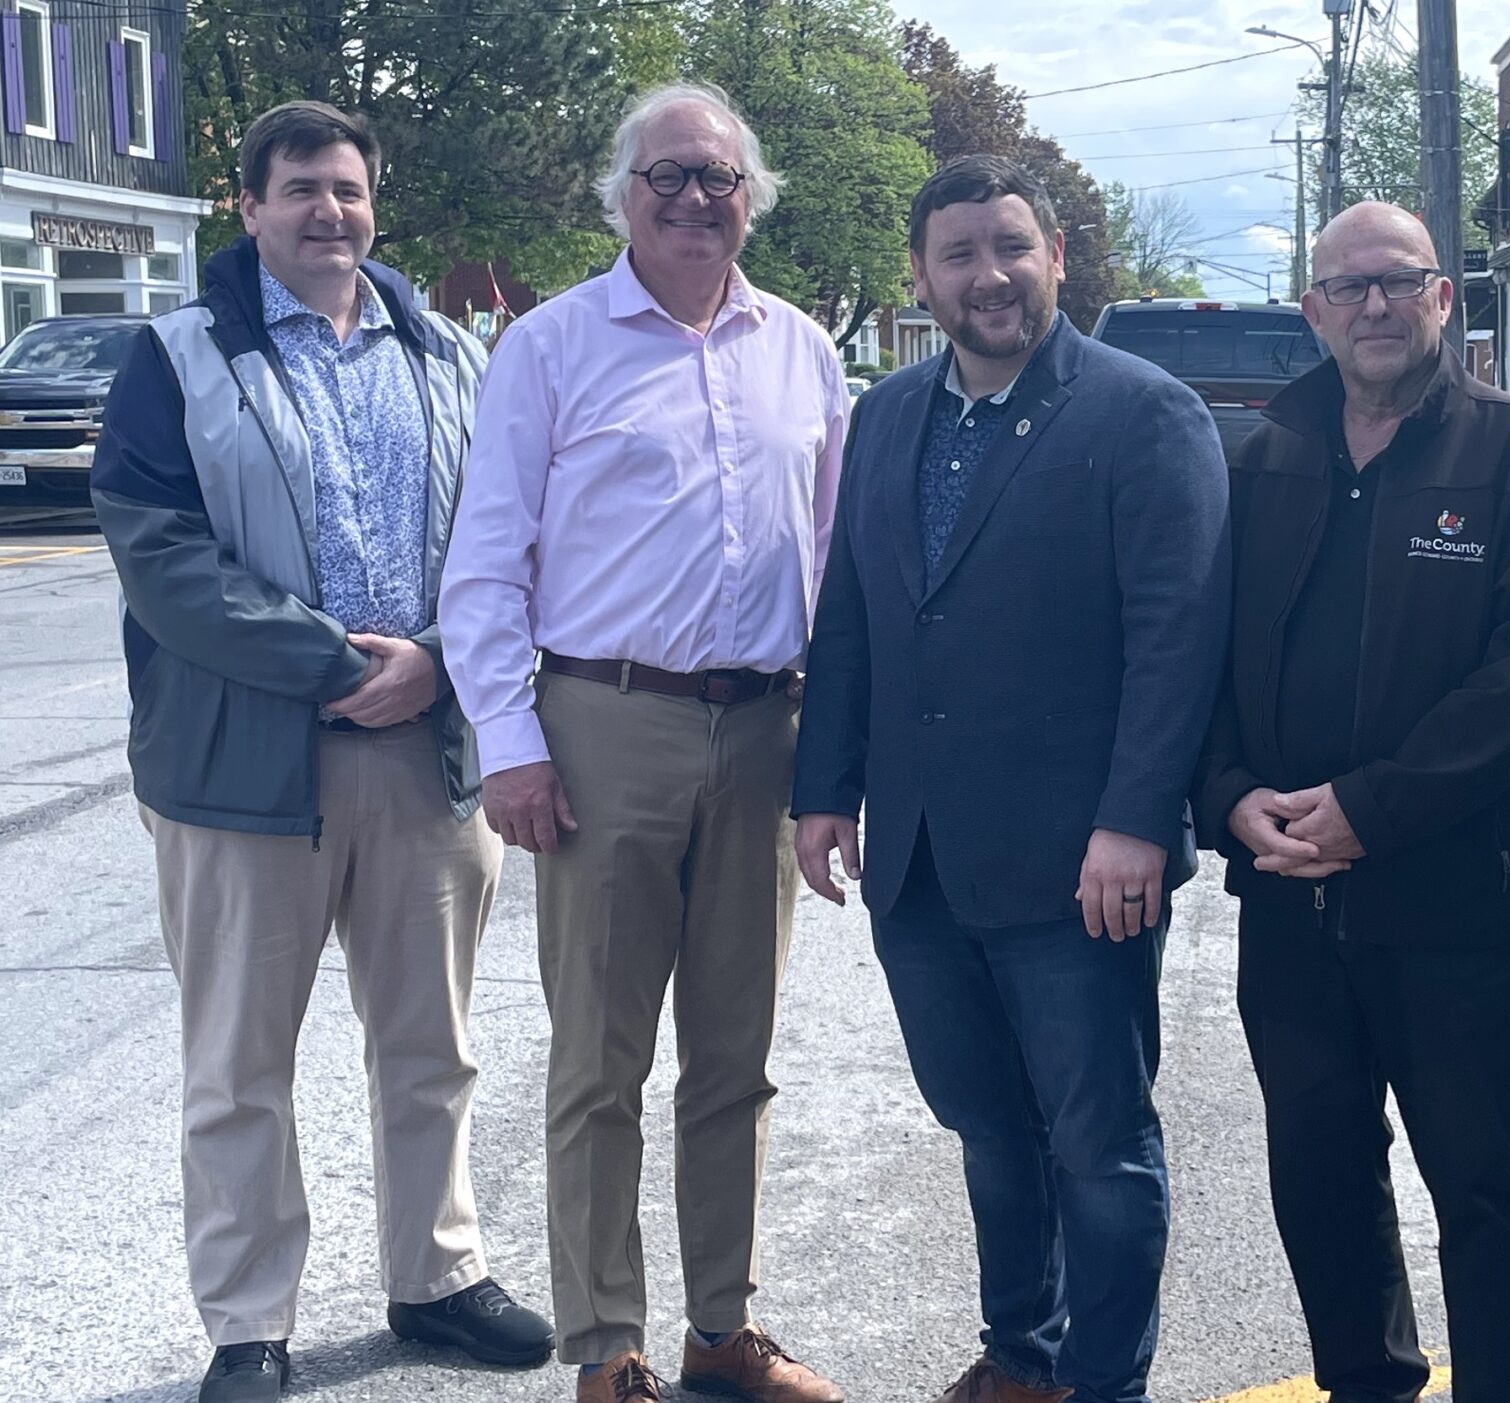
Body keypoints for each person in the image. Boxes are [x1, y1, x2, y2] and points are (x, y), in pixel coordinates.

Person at [89, 99, 553, 1403]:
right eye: (298, 188)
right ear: (250, 208)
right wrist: (342, 667)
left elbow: (513, 542)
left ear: (374, 203)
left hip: (425, 753)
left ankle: (438, 1271)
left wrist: (441, 665)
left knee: (433, 1040)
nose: (326, 211)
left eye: (346, 188)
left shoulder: (450, 354)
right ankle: (248, 1321)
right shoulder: (175, 357)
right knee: (239, 1062)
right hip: (243, 770)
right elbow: (161, 556)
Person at [790, 155, 1228, 1403]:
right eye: (960, 254)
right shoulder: (886, 415)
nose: (988, 275)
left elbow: (1176, 636)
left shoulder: (1143, 413)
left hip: (1081, 863)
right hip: (921, 856)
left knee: (1098, 1140)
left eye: (1010, 247)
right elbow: (856, 615)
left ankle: (1102, 1381)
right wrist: (827, 785)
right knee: (987, 1124)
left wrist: (1137, 820)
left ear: (1056, 258)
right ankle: (1020, 1355)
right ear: (921, 277)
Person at [438, 82, 849, 1403]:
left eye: (717, 177)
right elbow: (486, 566)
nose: (691, 198)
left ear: (750, 199)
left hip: (765, 724)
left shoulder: (803, 352)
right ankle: (606, 1342)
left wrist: (835, 756)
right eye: (665, 175)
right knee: (600, 1058)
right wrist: (510, 741)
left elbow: (841, 568)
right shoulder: (549, 349)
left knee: (739, 1050)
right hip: (603, 721)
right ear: (624, 195)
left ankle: (722, 1328)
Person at [1195, 200, 1510, 1403]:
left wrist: (1375, 805)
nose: (1372, 306)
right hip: (1292, 904)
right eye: (1347, 286)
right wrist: (1227, 797)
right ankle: (1366, 1381)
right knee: (1318, 1173)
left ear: (1443, 298)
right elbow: (1198, 663)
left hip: (1466, 900)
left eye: (1397, 282)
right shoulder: (1257, 460)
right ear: (1312, 310)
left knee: (1486, 1189)